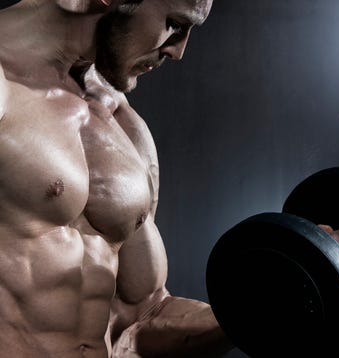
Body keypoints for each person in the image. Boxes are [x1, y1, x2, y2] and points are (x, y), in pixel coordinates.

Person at [0, 0, 234, 357]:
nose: (178, 51)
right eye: (174, 24)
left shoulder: (122, 121)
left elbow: (143, 317)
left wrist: (267, 307)